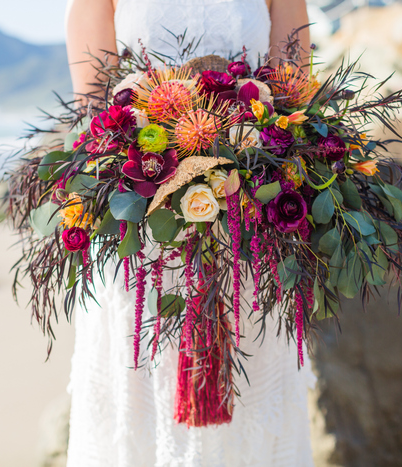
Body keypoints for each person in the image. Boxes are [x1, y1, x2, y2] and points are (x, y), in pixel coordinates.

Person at [64, 1, 314, 465]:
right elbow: (93, 117)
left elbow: (293, 95)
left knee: (253, 392)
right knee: (140, 392)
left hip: (248, 224)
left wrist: (252, 152)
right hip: (141, 228)